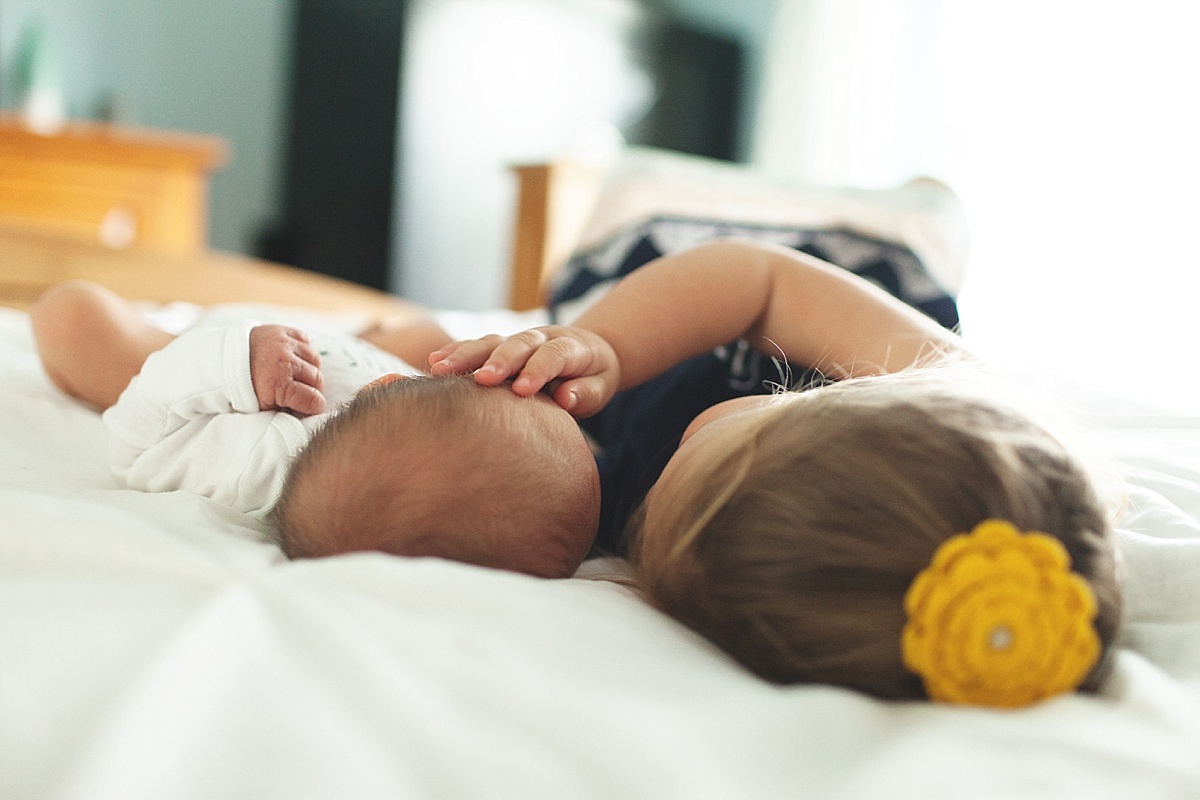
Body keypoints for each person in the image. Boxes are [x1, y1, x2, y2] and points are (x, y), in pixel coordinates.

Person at [431, 237, 1124, 708]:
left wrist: (424, 361)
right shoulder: (942, 397)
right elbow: (760, 277)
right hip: (741, 284)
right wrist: (603, 341)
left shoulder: (735, 570)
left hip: (624, 414)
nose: (678, 453)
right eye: (713, 447)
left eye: (659, 516)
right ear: (822, 407)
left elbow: (467, 388)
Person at [29, 280, 600, 580]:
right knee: (428, 332)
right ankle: (381, 332)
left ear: (385, 389)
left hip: (219, 366)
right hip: (358, 355)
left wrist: (233, 364)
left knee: (70, 316)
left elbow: (141, 441)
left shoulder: (266, 462)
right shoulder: (428, 443)